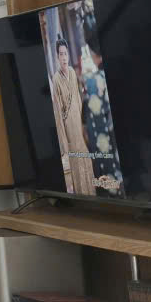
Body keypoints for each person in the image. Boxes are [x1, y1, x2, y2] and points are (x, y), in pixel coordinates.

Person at [50, 36, 95, 195]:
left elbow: (79, 101)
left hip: (80, 128)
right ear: (57, 57)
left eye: (65, 54)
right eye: (61, 54)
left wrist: (85, 126)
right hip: (69, 130)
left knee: (86, 162)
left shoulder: (73, 73)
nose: (64, 57)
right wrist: (64, 144)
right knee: (76, 167)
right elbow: (57, 114)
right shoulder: (56, 79)